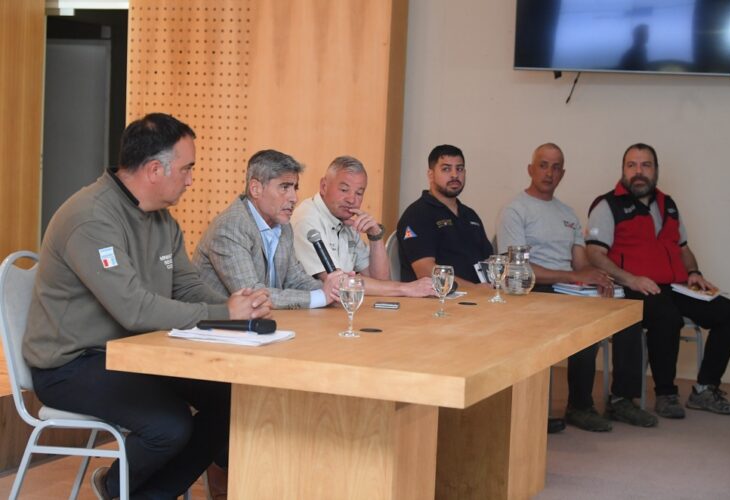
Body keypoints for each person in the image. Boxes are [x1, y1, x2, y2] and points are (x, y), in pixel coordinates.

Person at [22, 113, 272, 499]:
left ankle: (126, 491)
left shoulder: (162, 220)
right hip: (71, 365)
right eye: (188, 168)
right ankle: (124, 489)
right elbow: (134, 310)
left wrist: (234, 305)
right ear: (156, 169)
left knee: (234, 403)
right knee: (169, 426)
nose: (191, 179)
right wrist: (226, 316)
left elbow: (185, 285)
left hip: (135, 355)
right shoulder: (90, 218)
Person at [498, 143, 655, 431]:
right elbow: (517, 270)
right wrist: (572, 278)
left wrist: (597, 278)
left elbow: (580, 264)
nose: (549, 172)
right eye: (543, 165)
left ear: (563, 173)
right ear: (530, 169)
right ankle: (579, 405)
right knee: (583, 321)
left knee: (626, 314)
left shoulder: (568, 213)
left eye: (556, 167)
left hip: (566, 288)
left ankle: (622, 400)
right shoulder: (515, 210)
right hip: (534, 289)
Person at [587, 143, 730, 418]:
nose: (638, 172)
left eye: (645, 165)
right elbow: (595, 254)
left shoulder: (668, 205)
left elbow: (683, 249)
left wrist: (694, 272)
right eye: (632, 165)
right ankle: (666, 394)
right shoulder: (607, 205)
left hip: (673, 286)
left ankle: (705, 389)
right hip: (630, 288)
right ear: (623, 170)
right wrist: (632, 279)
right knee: (666, 315)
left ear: (656, 170)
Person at [193, 149, 344, 309]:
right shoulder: (231, 226)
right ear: (255, 188)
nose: (294, 198)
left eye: (295, 188)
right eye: (284, 187)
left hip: (256, 324)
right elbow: (252, 295)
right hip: (212, 326)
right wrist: (321, 296)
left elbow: (295, 279)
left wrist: (335, 289)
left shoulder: (284, 226)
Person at [291, 156, 434, 297]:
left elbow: (381, 281)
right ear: (324, 186)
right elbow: (338, 283)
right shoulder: (307, 220)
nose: (352, 199)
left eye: (359, 193)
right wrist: (406, 288)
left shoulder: (346, 221)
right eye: (344, 190)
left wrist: (375, 236)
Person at [397, 144, 493, 285]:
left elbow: (488, 261)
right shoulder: (417, 214)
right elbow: (425, 271)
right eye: (446, 169)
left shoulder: (470, 215)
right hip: (437, 300)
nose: (455, 175)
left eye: (459, 169)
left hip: (479, 299)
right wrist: (475, 290)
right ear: (431, 175)